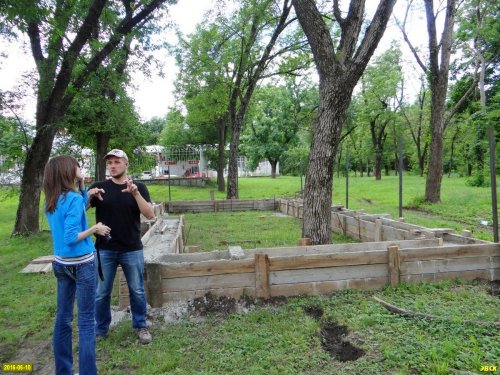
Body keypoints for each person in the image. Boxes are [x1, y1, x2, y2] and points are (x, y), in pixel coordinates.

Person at [43, 155, 111, 375]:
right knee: (86, 321)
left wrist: (85, 189)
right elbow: (72, 236)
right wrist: (95, 229)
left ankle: (63, 370)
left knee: (63, 319)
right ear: (67, 171)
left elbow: (75, 210)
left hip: (61, 264)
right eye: (77, 166)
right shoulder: (71, 199)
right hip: (82, 264)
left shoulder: (53, 199)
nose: (80, 168)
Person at [89, 149, 155, 344]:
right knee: (102, 293)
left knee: (136, 290)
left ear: (126, 164)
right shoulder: (99, 187)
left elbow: (150, 214)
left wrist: (135, 194)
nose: (112, 166)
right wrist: (89, 195)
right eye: (110, 162)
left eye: (117, 162)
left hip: (131, 248)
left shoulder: (139, 187)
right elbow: (79, 210)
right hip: (105, 249)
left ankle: (141, 325)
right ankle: (101, 329)